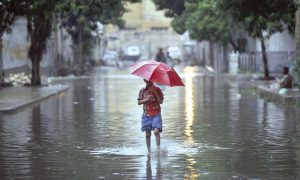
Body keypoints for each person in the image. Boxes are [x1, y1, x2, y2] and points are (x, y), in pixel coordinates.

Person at [137, 79, 164, 153]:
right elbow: (139, 102)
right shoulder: (142, 90)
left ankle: (158, 149)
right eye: (146, 80)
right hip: (146, 115)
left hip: (156, 114)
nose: (148, 81)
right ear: (144, 81)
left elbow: (161, 101)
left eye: (150, 80)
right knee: (147, 134)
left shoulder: (157, 89)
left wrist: (155, 92)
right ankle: (149, 151)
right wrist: (146, 100)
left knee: (156, 131)